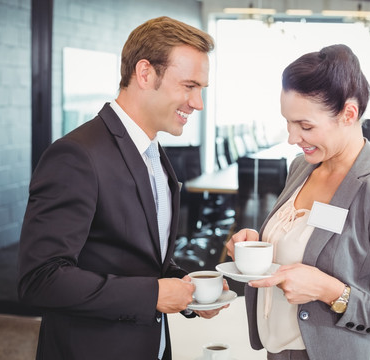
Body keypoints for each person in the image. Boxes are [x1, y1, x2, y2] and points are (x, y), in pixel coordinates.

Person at [17, 16, 227, 360]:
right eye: (189, 86)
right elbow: (40, 279)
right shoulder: (76, 155)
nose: (198, 103)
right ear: (144, 73)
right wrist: (153, 295)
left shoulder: (154, 152)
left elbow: (142, 258)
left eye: (201, 89)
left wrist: (185, 289)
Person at [226, 44, 370, 360]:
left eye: (306, 126)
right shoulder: (300, 167)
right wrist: (260, 244)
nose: (292, 138)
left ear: (348, 114)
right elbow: (300, 245)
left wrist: (331, 292)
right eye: (288, 122)